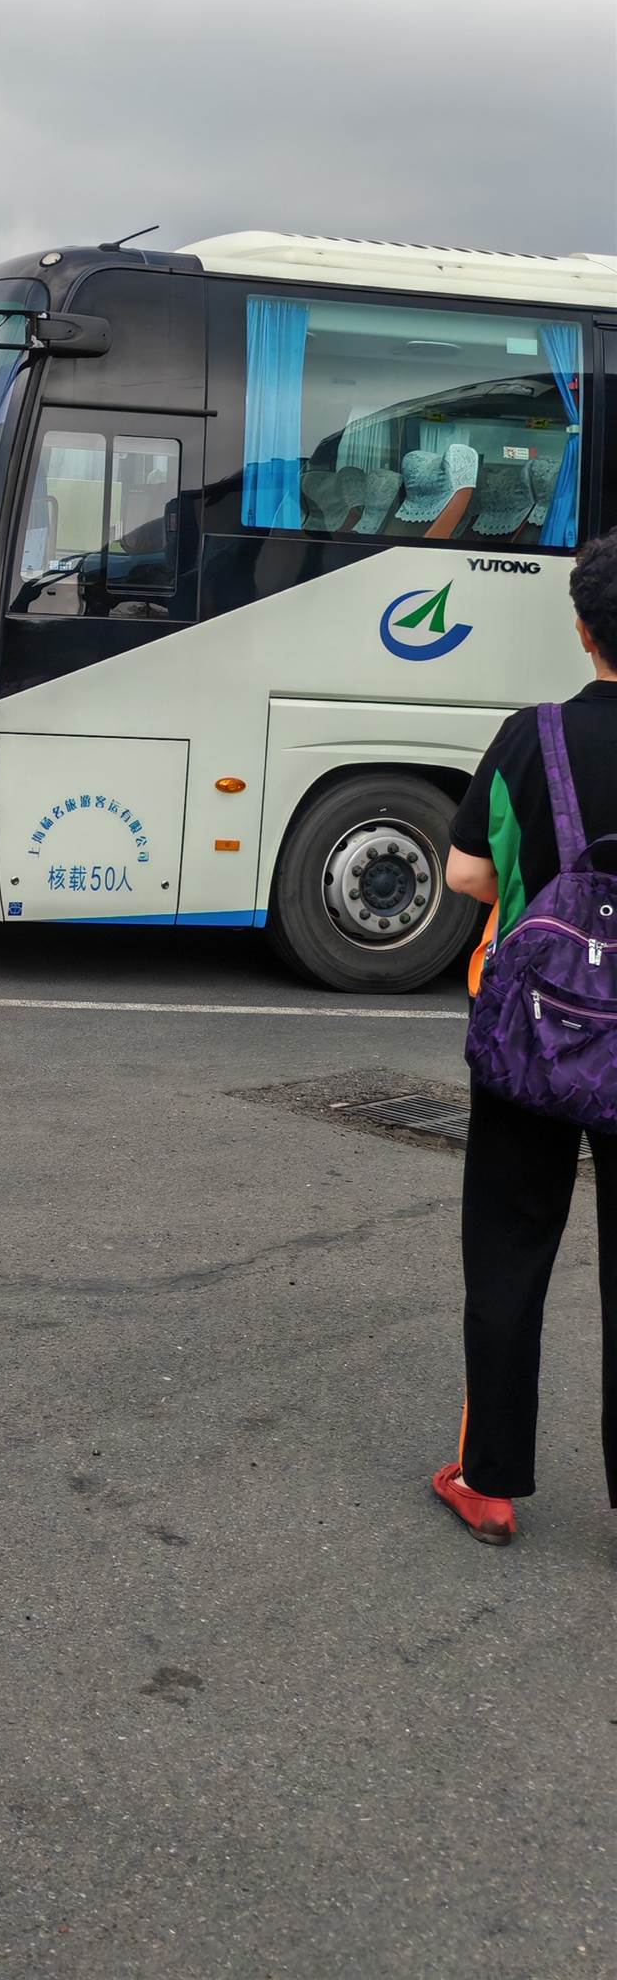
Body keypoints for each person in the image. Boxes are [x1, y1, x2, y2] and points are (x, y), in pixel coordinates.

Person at [436, 529, 617, 1545]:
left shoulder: (533, 735)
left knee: (509, 1248)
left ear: (584, 627)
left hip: (535, 1036)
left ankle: (491, 1478)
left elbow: (465, 876)